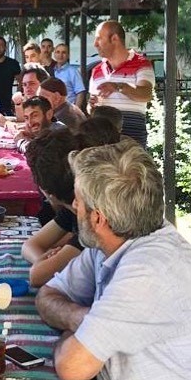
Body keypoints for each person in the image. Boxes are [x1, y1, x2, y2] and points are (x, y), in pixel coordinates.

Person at [36, 141, 191, 380]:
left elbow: (71, 366)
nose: (74, 205)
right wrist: (80, 318)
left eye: (79, 199)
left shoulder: (149, 272)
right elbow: (48, 293)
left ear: (99, 219)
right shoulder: (117, 241)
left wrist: (74, 330)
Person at [22, 122, 120, 287]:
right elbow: (30, 245)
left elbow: (37, 277)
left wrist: (45, 263)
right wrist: (44, 260)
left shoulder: (91, 218)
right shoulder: (72, 210)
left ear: (47, 191)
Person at [88, 21, 154, 147]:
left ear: (114, 38)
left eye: (99, 39)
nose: (95, 44)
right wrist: (91, 106)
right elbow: (91, 108)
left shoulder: (141, 63)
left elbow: (146, 94)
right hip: (103, 142)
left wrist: (118, 86)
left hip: (132, 142)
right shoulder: (96, 70)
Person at [52, 43, 86, 108]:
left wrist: (75, 110)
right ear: (54, 54)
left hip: (68, 110)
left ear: (68, 55)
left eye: (64, 52)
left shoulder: (73, 71)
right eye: (58, 52)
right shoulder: (52, 71)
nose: (60, 55)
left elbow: (80, 92)